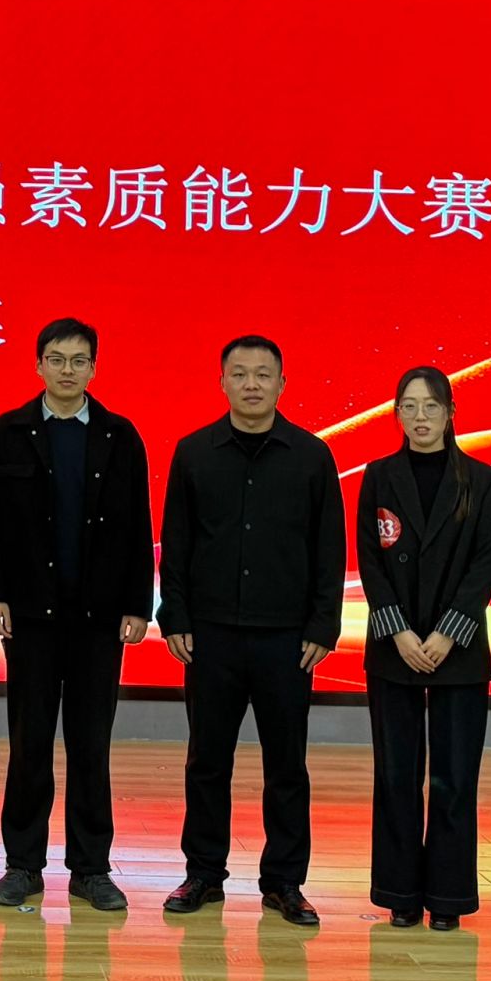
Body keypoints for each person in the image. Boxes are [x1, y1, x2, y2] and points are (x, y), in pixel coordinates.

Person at [156, 334, 342, 924]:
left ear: (283, 383)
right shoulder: (194, 452)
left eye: (264, 374)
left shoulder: (312, 456)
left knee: (286, 765)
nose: (252, 384)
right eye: (240, 373)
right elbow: (176, 542)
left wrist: (323, 624)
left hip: (287, 639)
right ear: (222, 382)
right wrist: (174, 615)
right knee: (207, 761)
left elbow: (329, 548)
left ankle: (284, 882)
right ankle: (203, 874)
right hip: (210, 636)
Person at [0, 317, 152, 913]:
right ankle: (22, 865)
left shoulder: (120, 436)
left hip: (98, 619)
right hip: (30, 616)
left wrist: (137, 604)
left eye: (80, 360)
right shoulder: (9, 433)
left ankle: (91, 869)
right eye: (57, 359)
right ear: (38, 365)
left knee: (90, 745)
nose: (68, 370)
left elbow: (137, 526)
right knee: (29, 742)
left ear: (94, 368)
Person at [355, 367, 491, 931]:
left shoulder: (480, 480)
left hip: (457, 651)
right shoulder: (379, 476)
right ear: (396, 414)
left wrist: (447, 633)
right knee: (397, 775)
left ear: (450, 413)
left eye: (431, 406)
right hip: (393, 648)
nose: (420, 417)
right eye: (409, 406)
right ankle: (399, 892)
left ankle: (448, 897)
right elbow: (369, 558)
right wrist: (398, 631)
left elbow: (486, 560)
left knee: (454, 778)